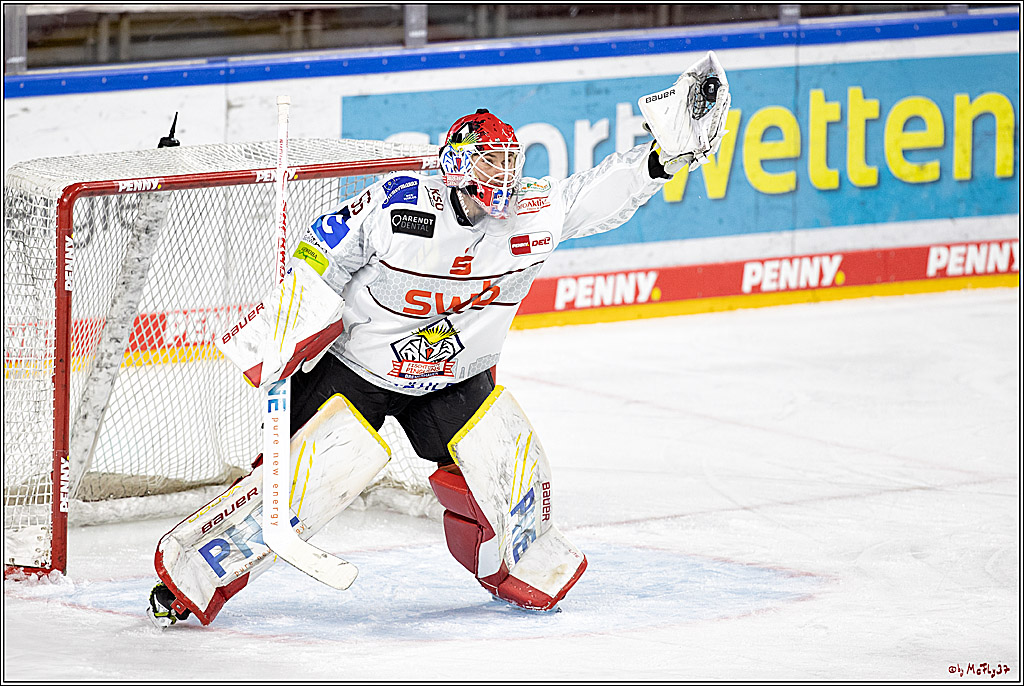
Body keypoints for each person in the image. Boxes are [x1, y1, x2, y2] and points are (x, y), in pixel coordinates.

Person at [147, 52, 731, 627]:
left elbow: (594, 194)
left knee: (509, 464)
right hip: (358, 370)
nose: (500, 181)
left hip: (450, 378)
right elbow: (322, 246)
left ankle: (518, 566)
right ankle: (190, 577)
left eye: (507, 167)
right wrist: (294, 312)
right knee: (301, 483)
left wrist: (659, 160)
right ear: (455, 165)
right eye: (487, 166)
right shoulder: (401, 206)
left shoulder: (531, 215)